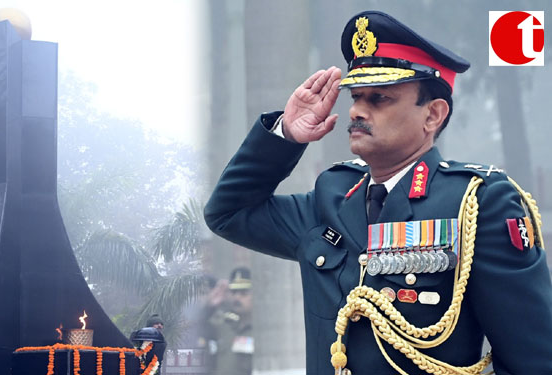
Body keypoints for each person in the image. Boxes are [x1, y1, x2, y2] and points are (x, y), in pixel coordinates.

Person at [204, 10, 552, 375]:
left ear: (432, 115)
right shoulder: (331, 197)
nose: (356, 110)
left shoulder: (478, 204)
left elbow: (533, 359)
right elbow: (227, 213)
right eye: (356, 97)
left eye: (379, 99)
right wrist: (285, 136)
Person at [206, 267, 254, 375]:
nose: (237, 297)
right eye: (233, 292)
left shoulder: (265, 330)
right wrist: (210, 306)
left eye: (244, 293)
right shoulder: (222, 324)